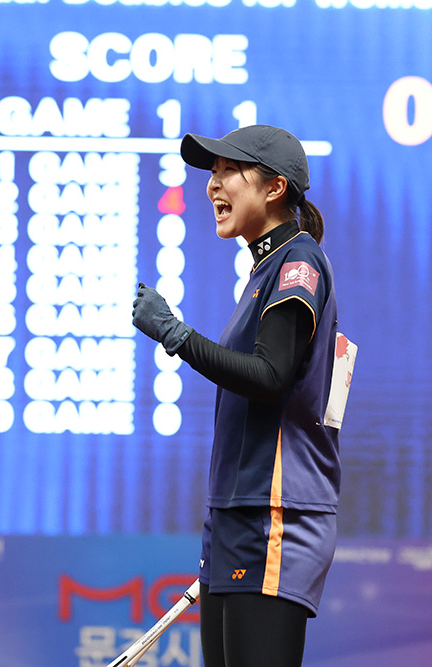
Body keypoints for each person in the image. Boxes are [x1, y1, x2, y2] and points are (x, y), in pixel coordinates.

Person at [132, 125, 341, 667]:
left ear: (274, 188)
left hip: (273, 518)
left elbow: (269, 376)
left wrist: (174, 334)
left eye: (229, 171)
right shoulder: (266, 268)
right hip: (233, 516)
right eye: (212, 172)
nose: (213, 184)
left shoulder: (299, 262)